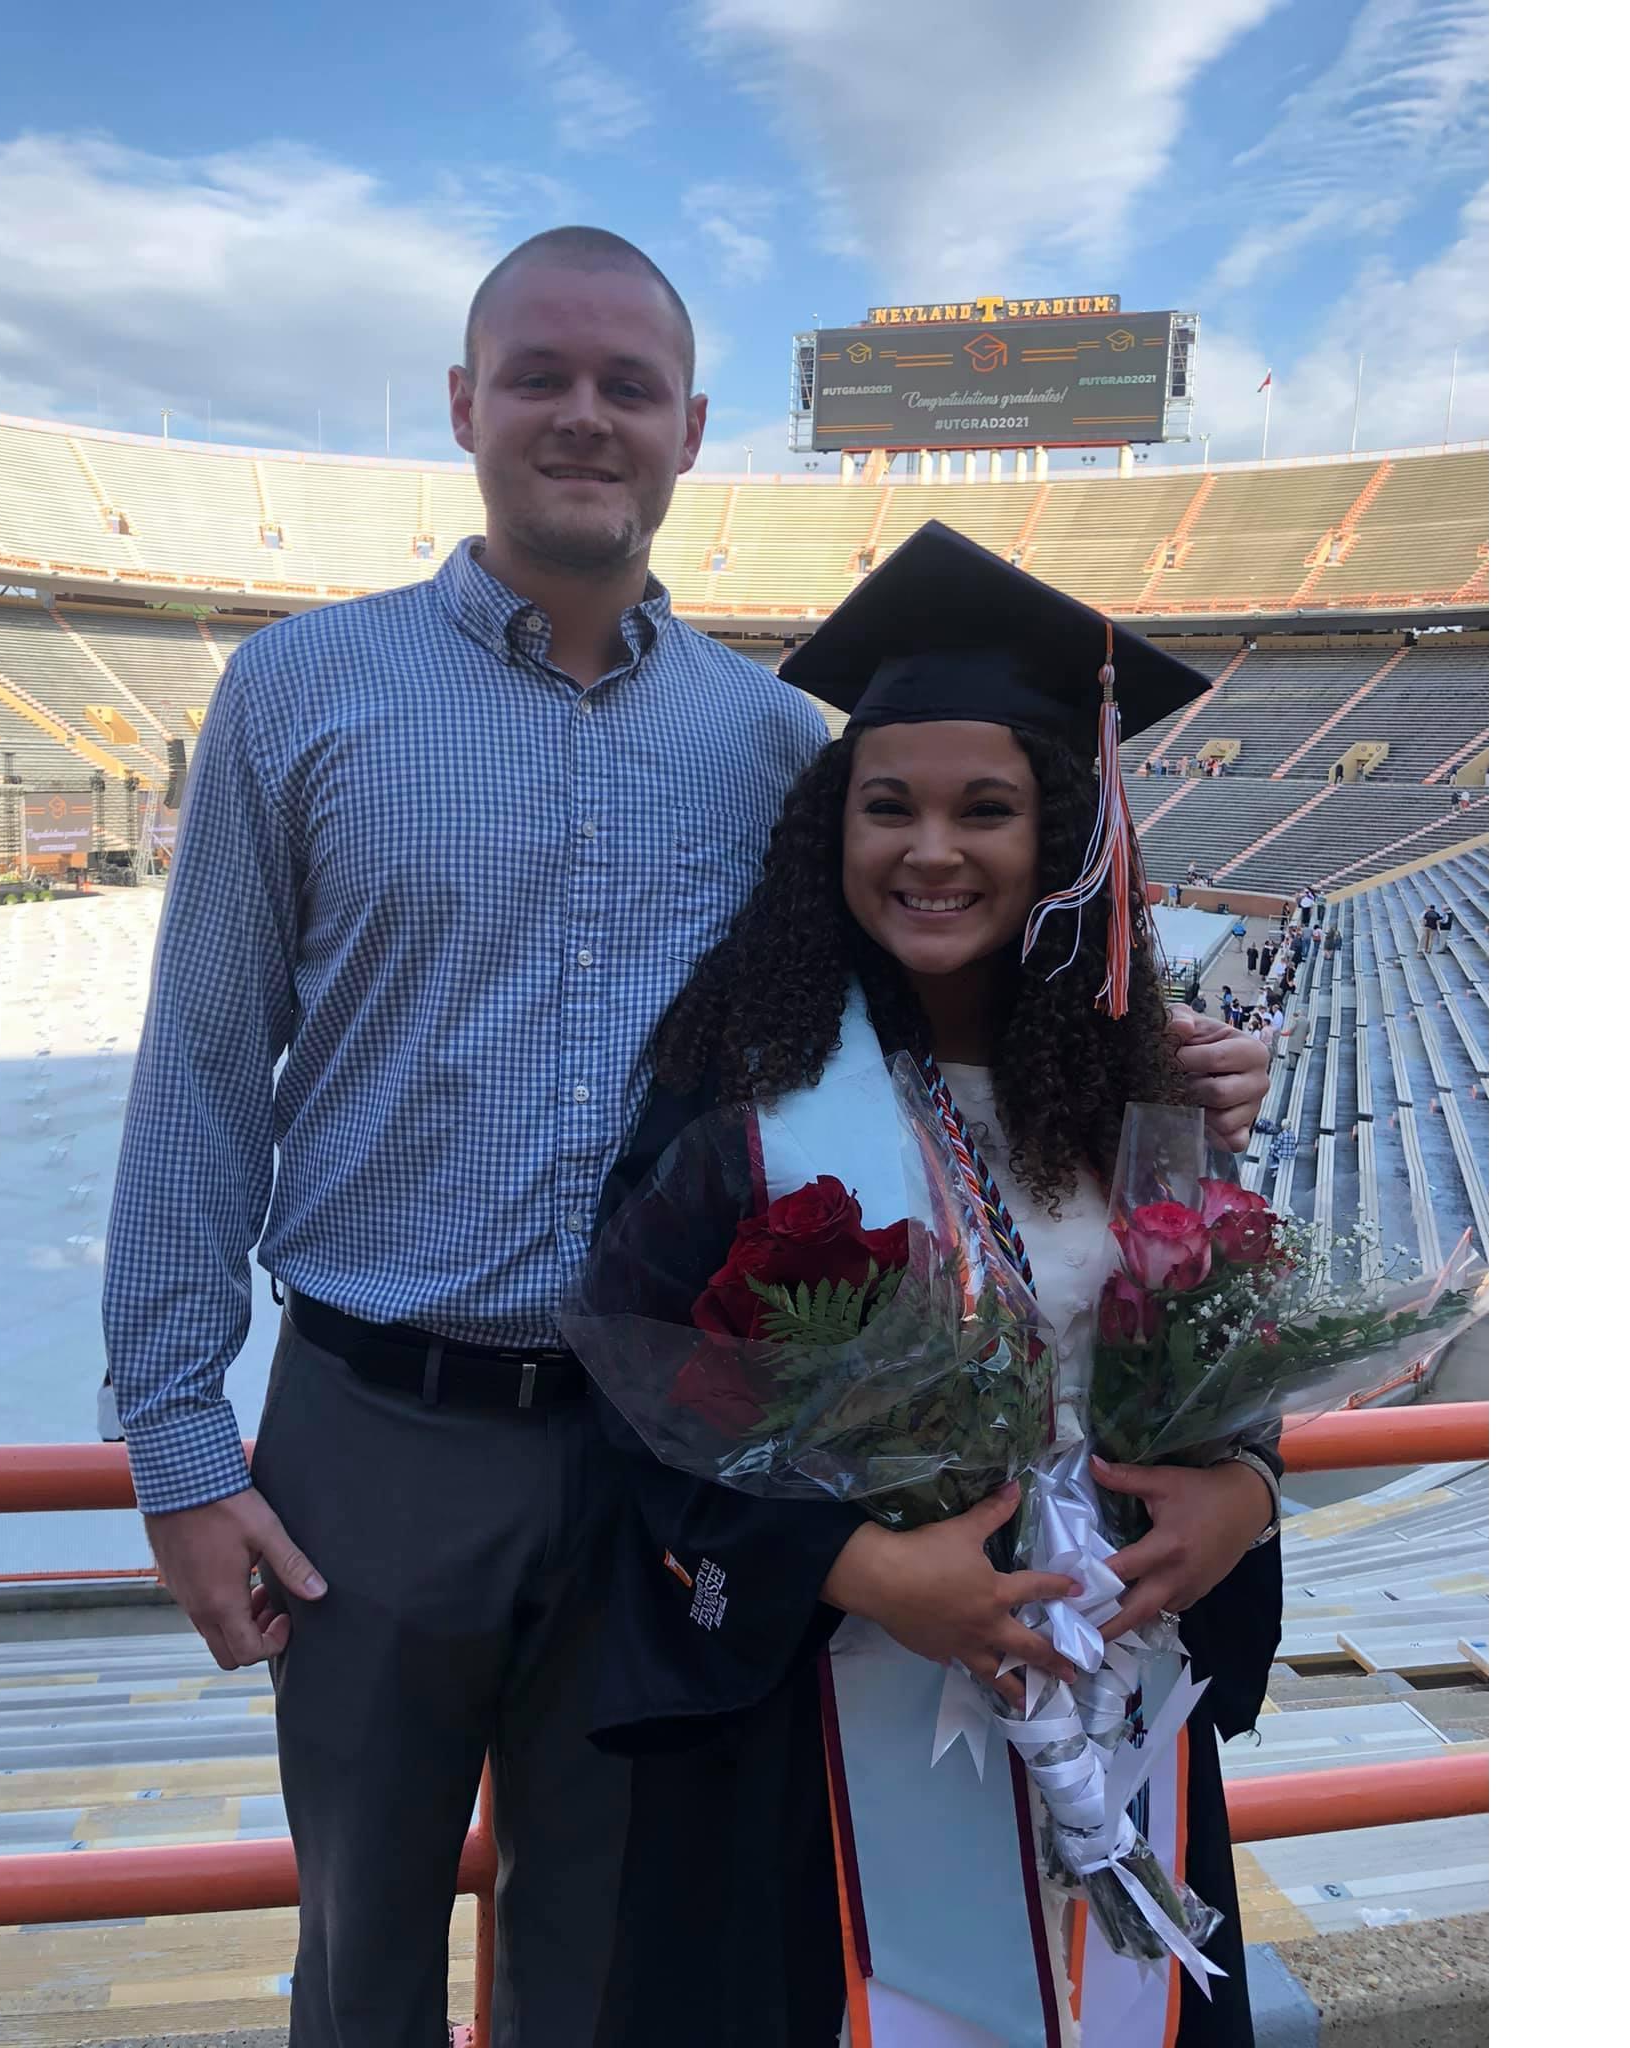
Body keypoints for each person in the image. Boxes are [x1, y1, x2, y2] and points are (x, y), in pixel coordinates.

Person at [102, 234, 1272, 2048]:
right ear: (464, 403)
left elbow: (905, 1004)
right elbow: (194, 1078)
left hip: (701, 1460)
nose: (584, 415)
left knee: (622, 1950)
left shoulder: (766, 743)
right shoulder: (296, 693)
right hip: (382, 1436)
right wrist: (178, 1445)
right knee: (363, 1950)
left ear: (693, 429)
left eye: (627, 385)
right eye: (542, 375)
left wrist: (1146, 1060)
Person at [588, 527, 1282, 2048]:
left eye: (990, 809)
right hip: (824, 1721)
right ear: (829, 833)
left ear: (1063, 837)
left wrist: (1249, 1496)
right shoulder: (742, 1087)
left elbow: (1217, 1348)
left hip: (1112, 1703)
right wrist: (846, 1566)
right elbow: (638, 1402)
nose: (932, 850)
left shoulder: (1141, 1091)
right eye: (886, 807)